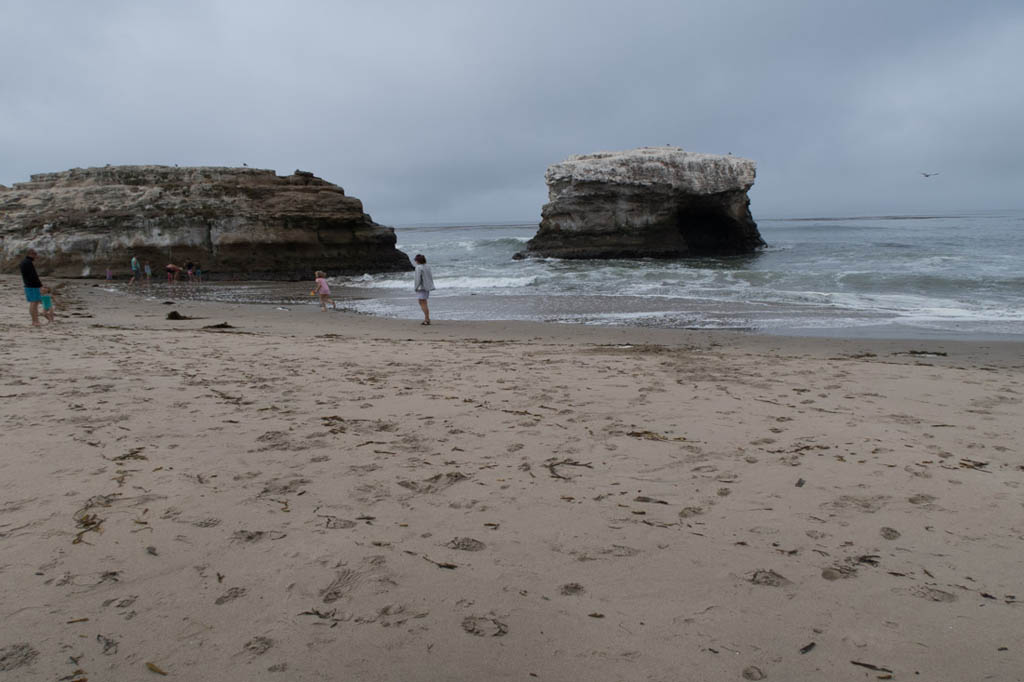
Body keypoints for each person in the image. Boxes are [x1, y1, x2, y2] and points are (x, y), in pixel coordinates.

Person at [19, 249, 43, 327]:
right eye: (35, 254)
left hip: (28, 285)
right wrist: (40, 285)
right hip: (32, 285)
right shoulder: (28, 262)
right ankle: (35, 321)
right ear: (30, 254)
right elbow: (33, 275)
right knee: (34, 303)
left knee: (34, 303)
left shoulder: (24, 262)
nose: (36, 256)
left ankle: (35, 321)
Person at [413, 254, 435, 325]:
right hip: (427, 286)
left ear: (417, 261)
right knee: (424, 302)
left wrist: (416, 287)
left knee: (422, 303)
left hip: (421, 287)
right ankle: (427, 318)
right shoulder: (427, 266)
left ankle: (427, 319)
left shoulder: (418, 267)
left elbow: (417, 279)